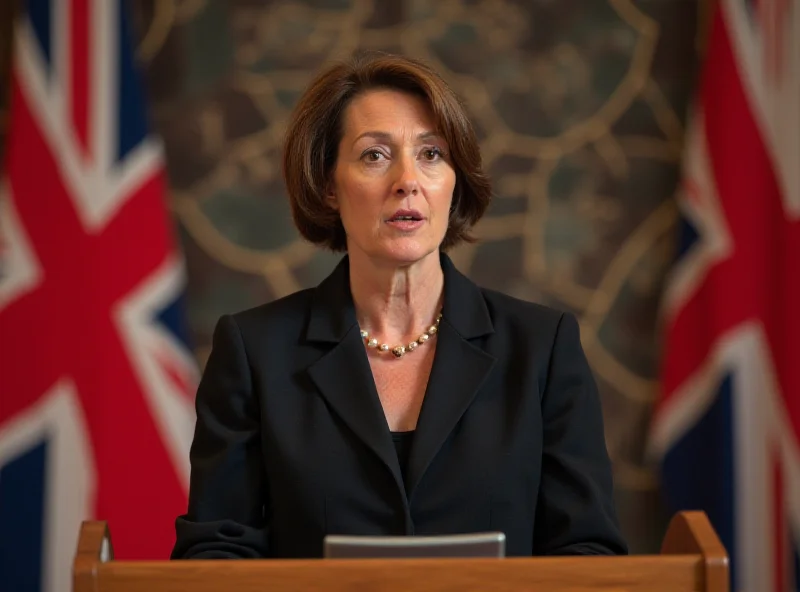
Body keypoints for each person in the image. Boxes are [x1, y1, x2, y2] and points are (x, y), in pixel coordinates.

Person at [170, 52, 628, 559]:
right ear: (328, 187)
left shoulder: (543, 349)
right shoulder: (254, 353)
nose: (407, 180)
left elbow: (589, 552)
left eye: (432, 154)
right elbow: (214, 554)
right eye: (374, 155)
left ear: (454, 184)